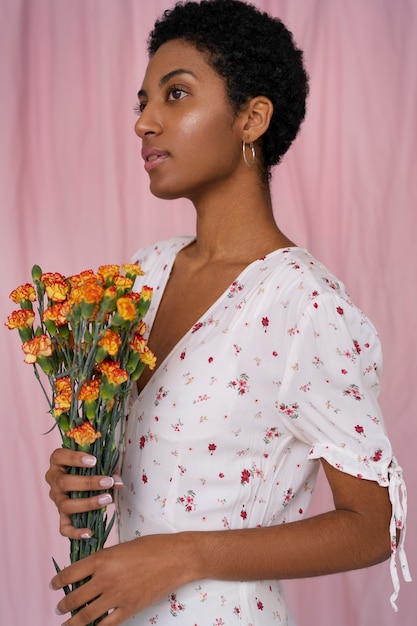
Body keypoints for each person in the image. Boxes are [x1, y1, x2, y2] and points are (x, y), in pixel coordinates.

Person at [46, 1, 410, 624]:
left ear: (252, 117)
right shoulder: (142, 277)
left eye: (176, 94)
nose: (145, 123)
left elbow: (374, 528)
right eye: (143, 103)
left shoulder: (304, 306)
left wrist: (181, 557)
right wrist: (78, 472)